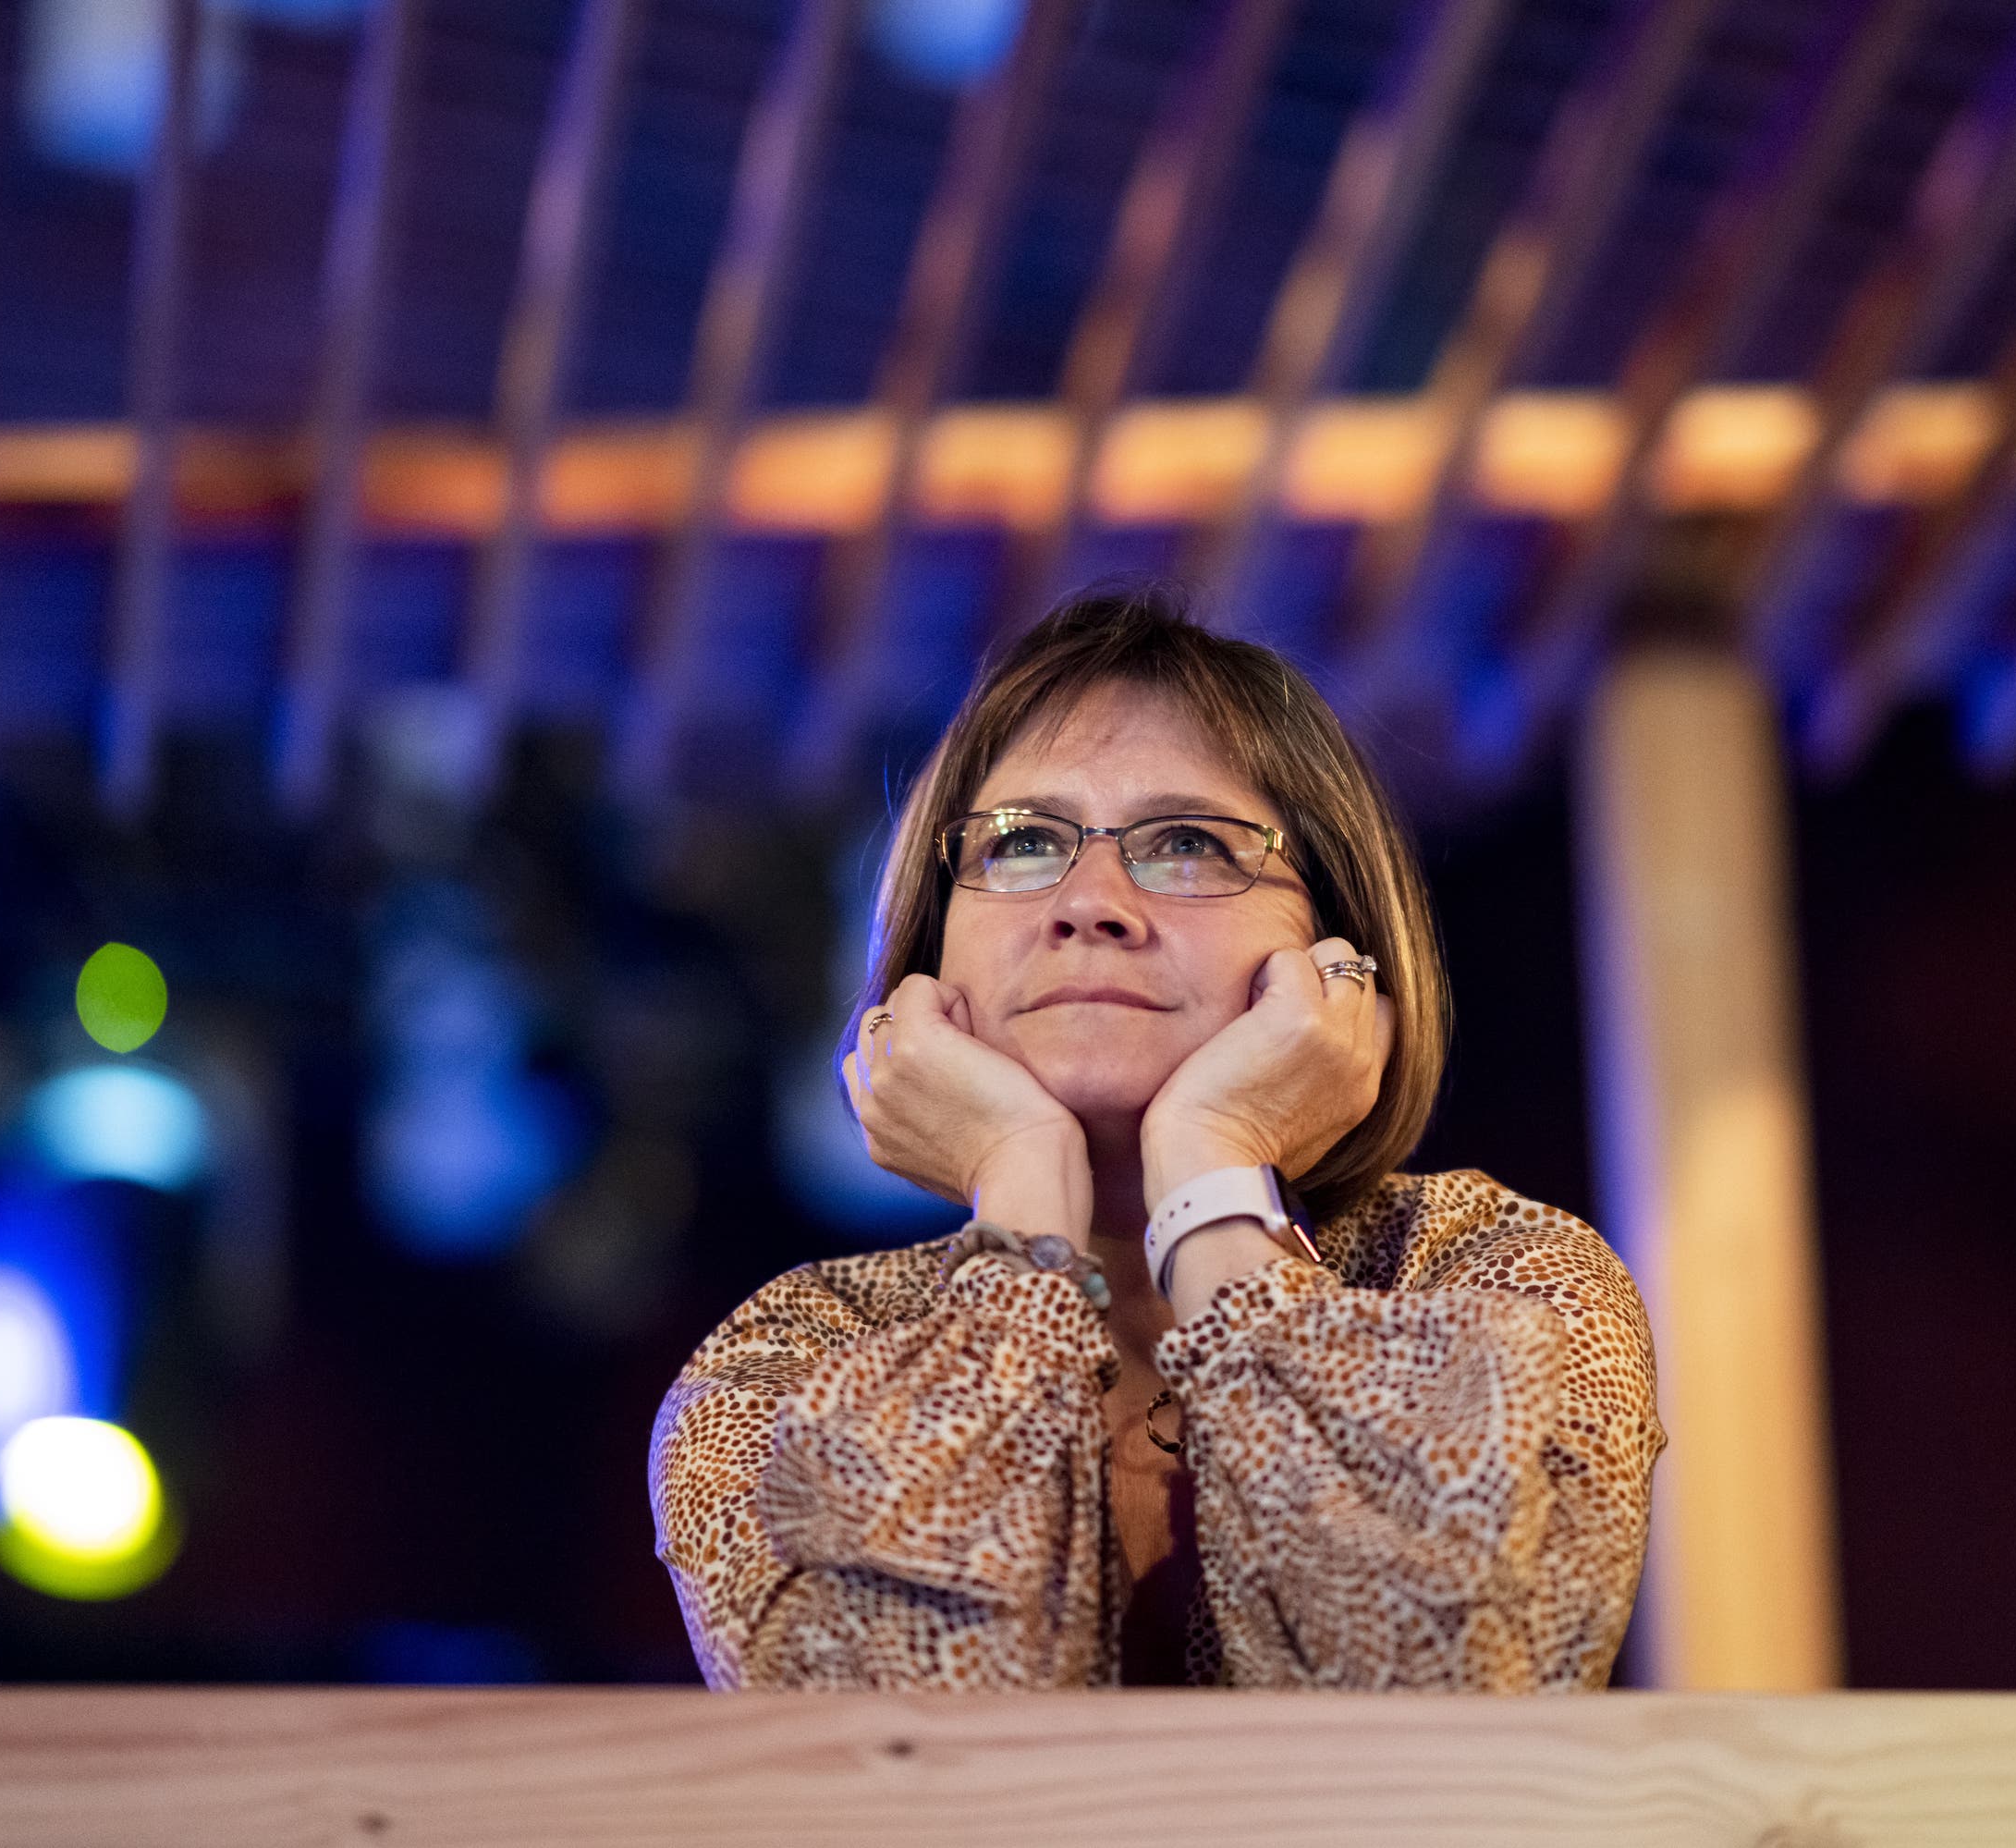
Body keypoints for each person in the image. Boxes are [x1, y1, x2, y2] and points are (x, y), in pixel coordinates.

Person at [648, 583, 1665, 1689]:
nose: (1090, 902)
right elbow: (908, 1778)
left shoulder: (1498, 1283)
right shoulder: (795, 1358)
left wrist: (1215, 1167)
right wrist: (1020, 1195)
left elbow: (1428, 1727)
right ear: (934, 964)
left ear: (1335, 954)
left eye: (1185, 841)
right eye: (1024, 842)